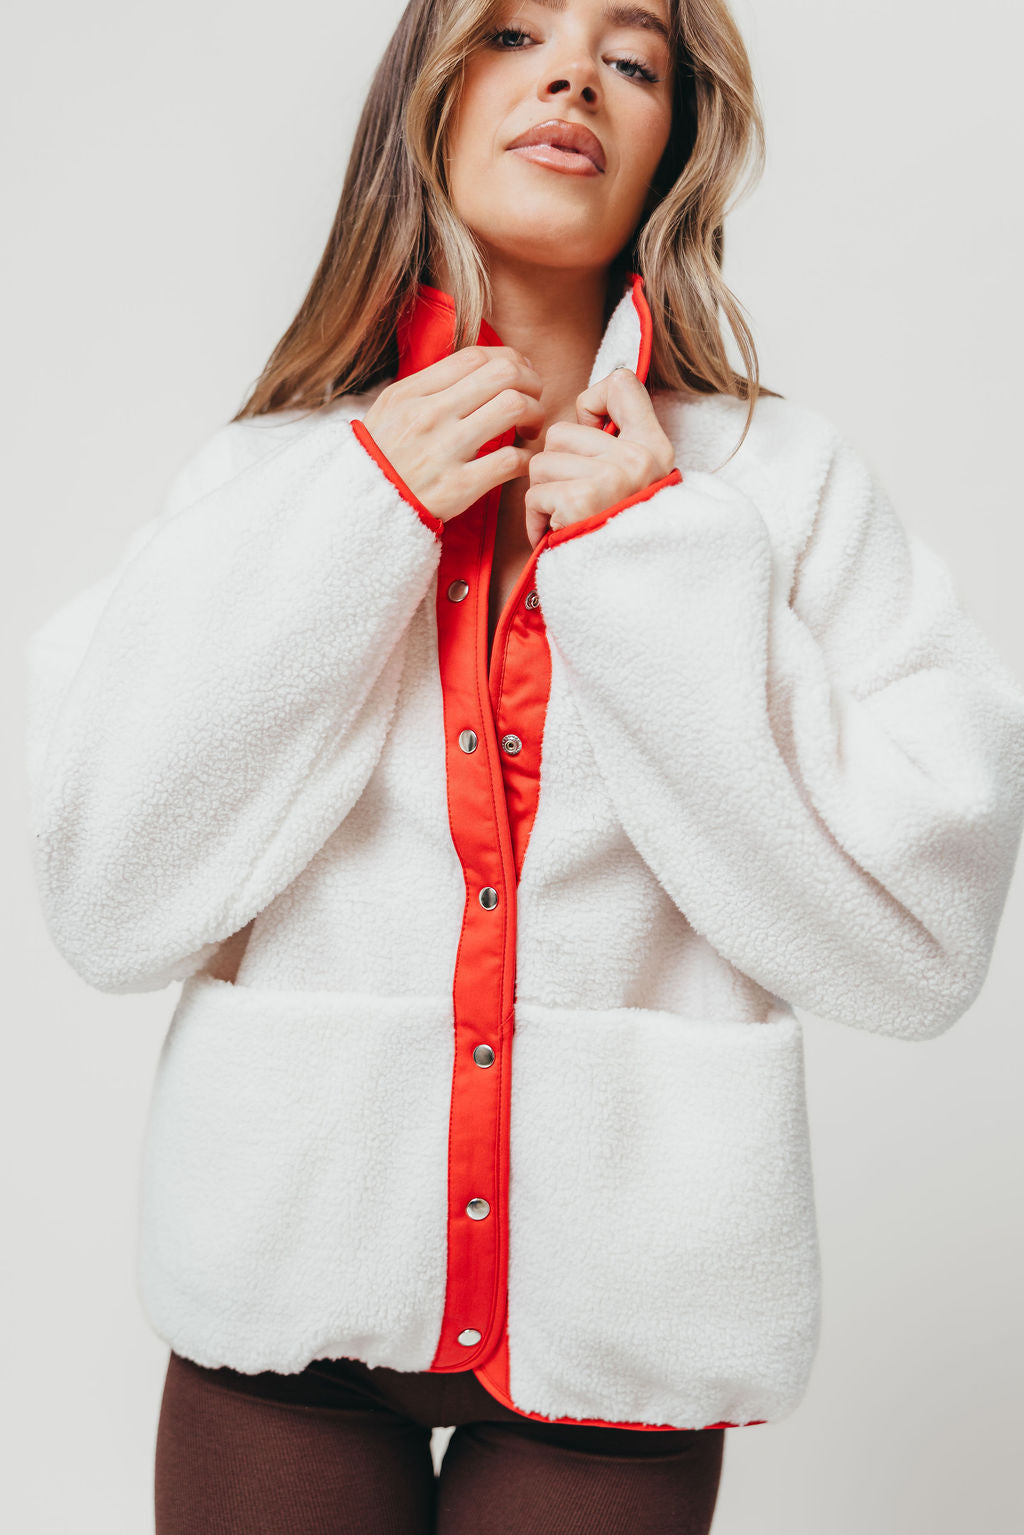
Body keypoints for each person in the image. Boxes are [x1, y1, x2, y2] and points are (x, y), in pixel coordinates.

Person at [23, 1, 1024, 1531]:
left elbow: (920, 945)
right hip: (280, 1291)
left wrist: (659, 564)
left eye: (632, 60)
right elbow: (107, 901)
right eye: (511, 34)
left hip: (631, 1312)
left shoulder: (777, 488)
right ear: (424, 99)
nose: (571, 75)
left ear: (674, 146)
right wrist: (359, 512)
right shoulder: (269, 479)